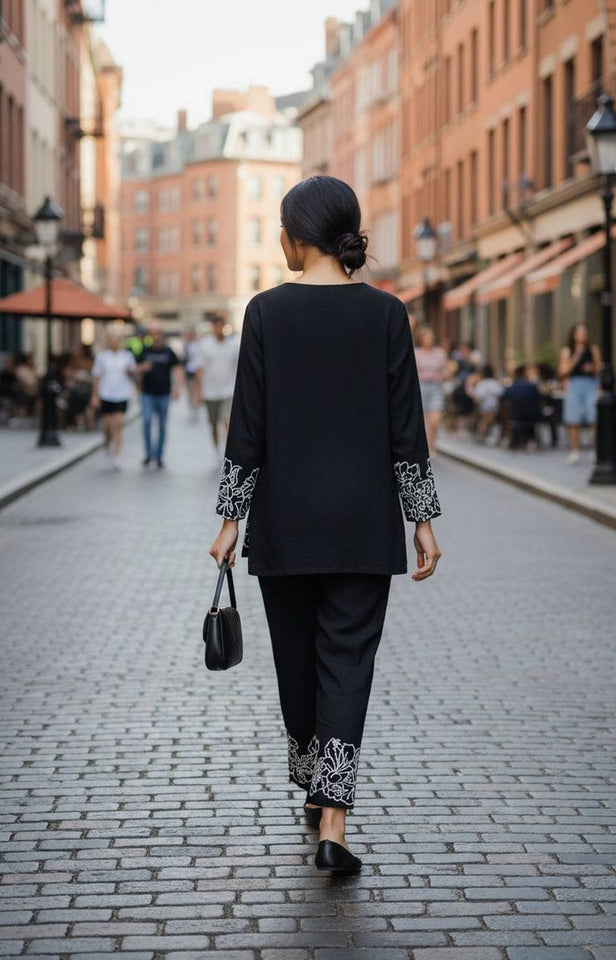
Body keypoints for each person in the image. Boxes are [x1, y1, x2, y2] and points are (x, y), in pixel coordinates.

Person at [208, 175, 442, 875]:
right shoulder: (387, 313)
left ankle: (317, 786)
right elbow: (407, 429)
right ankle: (332, 817)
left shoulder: (265, 312)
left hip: (285, 523)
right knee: (348, 665)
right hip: (365, 524)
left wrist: (231, 517)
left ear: (293, 238)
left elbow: (246, 427)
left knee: (297, 665)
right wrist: (422, 519)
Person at [194, 313, 239, 466]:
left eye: (221, 326)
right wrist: (198, 391)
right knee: (213, 424)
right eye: (216, 326)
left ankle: (228, 450)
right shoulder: (205, 345)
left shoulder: (234, 345)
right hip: (210, 392)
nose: (218, 329)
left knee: (227, 421)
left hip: (229, 391)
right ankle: (216, 449)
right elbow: (199, 369)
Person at [136, 321, 182, 468]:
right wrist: (142, 368)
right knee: (147, 421)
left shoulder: (168, 351)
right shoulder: (145, 351)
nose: (155, 336)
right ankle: (149, 454)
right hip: (147, 393)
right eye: (152, 334)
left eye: (157, 333)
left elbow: (177, 369)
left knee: (162, 426)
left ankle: (159, 455)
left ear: (161, 335)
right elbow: (135, 369)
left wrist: (177, 388)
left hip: (164, 394)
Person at [91, 329, 136, 468]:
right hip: (106, 394)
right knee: (107, 426)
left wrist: (132, 371)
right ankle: (107, 442)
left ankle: (116, 454)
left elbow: (134, 373)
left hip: (121, 394)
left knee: (118, 424)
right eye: (112, 340)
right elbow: (97, 377)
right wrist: (95, 395)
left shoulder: (127, 356)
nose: (114, 342)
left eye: (117, 340)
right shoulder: (102, 356)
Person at [558, 323, 600, 465]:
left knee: (593, 417)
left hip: (590, 384)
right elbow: (562, 371)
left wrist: (592, 368)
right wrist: (574, 358)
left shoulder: (592, 350)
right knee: (573, 419)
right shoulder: (567, 351)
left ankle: (595, 450)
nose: (582, 335)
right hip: (574, 384)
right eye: (579, 332)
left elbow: (599, 368)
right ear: (573, 334)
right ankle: (575, 450)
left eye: (584, 332)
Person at [414, 324, 449, 454]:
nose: (429, 339)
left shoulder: (440, 353)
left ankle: (431, 446)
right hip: (421, 386)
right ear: (421, 339)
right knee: (422, 421)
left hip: (436, 387)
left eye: (431, 336)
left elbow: (447, 370)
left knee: (435, 421)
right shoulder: (416, 353)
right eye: (426, 337)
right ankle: (424, 447)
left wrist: (444, 375)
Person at [503, 364, 543, 449]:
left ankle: (516, 439)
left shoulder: (511, 386)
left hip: (515, 415)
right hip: (532, 416)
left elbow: (504, 399)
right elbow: (539, 399)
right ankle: (531, 439)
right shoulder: (532, 386)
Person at [472, 363, 504, 440]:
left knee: (486, 421)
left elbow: (477, 397)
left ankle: (483, 433)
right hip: (492, 407)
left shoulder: (481, 384)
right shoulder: (495, 383)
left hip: (486, 407)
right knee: (487, 421)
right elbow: (501, 394)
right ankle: (483, 433)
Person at [183, 329, 201, 421]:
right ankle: (192, 409)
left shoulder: (199, 345)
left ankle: (196, 409)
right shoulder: (187, 346)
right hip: (189, 371)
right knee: (190, 391)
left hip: (196, 370)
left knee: (195, 390)